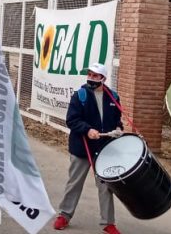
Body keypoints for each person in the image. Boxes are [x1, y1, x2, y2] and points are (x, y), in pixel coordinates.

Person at [53, 63, 124, 234]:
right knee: (75, 182)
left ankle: (108, 222)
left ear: (103, 79)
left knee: (106, 185)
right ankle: (64, 215)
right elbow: (72, 120)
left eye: (95, 76)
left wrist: (119, 129)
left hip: (103, 149)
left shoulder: (113, 97)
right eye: (90, 75)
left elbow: (117, 119)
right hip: (81, 147)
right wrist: (87, 129)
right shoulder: (80, 95)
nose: (91, 78)